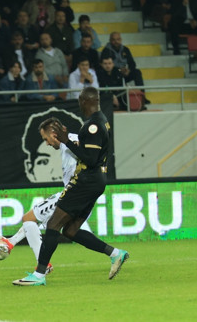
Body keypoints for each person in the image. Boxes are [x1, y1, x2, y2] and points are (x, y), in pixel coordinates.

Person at [13, 87, 129, 286]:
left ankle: (39, 275)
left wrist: (67, 141)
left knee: (53, 225)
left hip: (86, 181)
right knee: (71, 231)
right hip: (95, 182)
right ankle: (116, 254)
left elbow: (91, 159)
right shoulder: (101, 122)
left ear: (85, 101)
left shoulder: (93, 125)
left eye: (80, 101)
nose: (79, 105)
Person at [0, 117, 79, 271]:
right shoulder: (68, 144)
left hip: (73, 194)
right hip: (74, 194)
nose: (47, 143)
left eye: (46, 139)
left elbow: (91, 157)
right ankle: (114, 254)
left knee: (29, 219)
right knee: (36, 222)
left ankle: (41, 265)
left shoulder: (74, 141)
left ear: (53, 133)